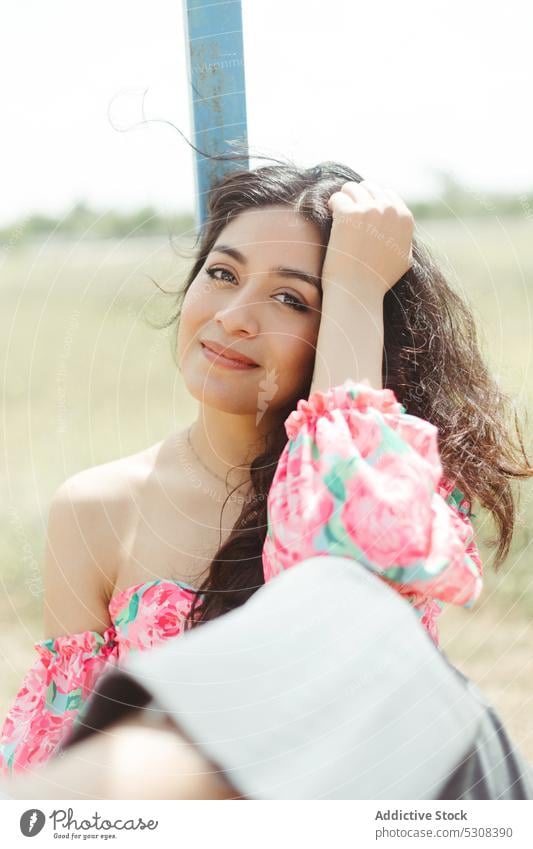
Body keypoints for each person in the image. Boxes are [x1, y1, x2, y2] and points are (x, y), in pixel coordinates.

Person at [1, 160, 532, 779]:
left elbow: (342, 576)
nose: (234, 317)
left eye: (291, 297)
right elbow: (69, 756)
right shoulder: (95, 509)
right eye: (222, 273)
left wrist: (358, 282)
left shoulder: (393, 490)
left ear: (344, 326)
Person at [2, 556, 532, 800]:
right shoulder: (100, 503)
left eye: (303, 320)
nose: (234, 323)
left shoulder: (352, 509)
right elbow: (60, 724)